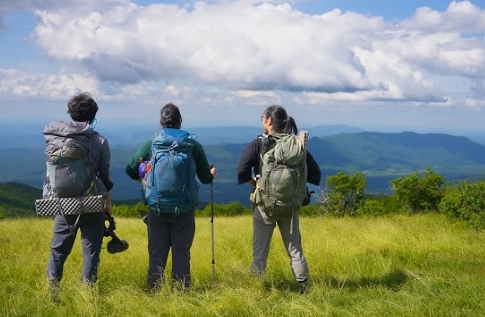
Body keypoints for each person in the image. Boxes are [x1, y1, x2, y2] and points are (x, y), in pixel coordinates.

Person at [125, 102, 216, 291]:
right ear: (180, 121)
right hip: (184, 209)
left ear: (161, 122)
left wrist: (145, 177)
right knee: (181, 252)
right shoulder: (192, 145)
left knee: (157, 252)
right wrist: (212, 173)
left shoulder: (152, 143)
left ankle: (154, 292)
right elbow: (205, 178)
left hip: (156, 207)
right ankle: (181, 295)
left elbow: (130, 169)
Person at [237, 105, 321, 294]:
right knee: (295, 250)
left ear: (268, 121)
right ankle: (304, 287)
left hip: (265, 208)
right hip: (290, 207)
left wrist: (256, 184)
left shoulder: (259, 144)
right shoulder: (297, 146)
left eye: (262, 118)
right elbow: (316, 175)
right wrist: (294, 185)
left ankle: (255, 289)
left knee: (259, 253)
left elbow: (242, 171)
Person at [45, 92, 113, 296]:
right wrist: (108, 204)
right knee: (91, 252)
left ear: (71, 114)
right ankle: (87, 294)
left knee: (58, 251)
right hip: (92, 203)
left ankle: (52, 293)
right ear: (93, 116)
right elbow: (105, 176)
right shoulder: (100, 141)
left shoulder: (56, 138)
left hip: (63, 202)